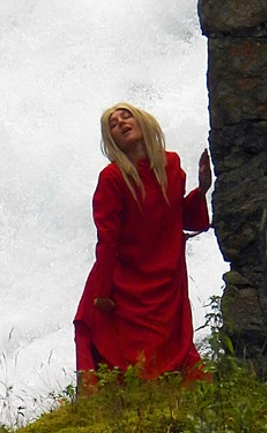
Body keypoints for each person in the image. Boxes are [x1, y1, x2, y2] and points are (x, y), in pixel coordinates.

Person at [74, 103, 213, 392]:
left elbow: (177, 216)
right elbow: (107, 238)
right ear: (112, 141)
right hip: (123, 281)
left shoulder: (171, 166)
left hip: (163, 279)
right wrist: (102, 294)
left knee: (171, 346)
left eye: (126, 115)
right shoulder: (112, 178)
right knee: (111, 347)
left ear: (142, 121)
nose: (122, 122)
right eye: (113, 124)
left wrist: (201, 192)